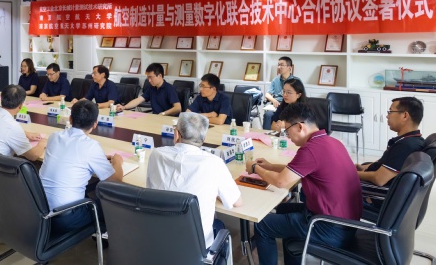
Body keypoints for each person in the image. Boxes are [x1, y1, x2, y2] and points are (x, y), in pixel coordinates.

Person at [246, 102, 361, 265]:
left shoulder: (310, 150)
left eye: (287, 131)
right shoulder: (331, 142)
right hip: (345, 222)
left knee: (262, 226)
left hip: (330, 227)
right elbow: (296, 170)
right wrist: (269, 166)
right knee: (283, 209)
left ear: (300, 127)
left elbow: (280, 182)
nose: (288, 136)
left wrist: (255, 168)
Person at [147, 112, 242, 248]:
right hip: (195, 247)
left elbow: (150, 190)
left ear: (176, 134)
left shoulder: (156, 154)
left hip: (158, 238)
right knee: (219, 224)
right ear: (204, 138)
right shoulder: (214, 163)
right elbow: (236, 202)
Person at [40, 100, 123, 233]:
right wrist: (118, 162)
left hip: (39, 209)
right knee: (113, 205)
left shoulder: (54, 137)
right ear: (95, 124)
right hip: (65, 218)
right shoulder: (91, 146)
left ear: (70, 119)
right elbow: (116, 181)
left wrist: (99, 158)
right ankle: (105, 236)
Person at [0, 84, 46, 176]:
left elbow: (2, 129)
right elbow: (33, 156)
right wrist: (42, 143)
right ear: (20, 105)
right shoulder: (12, 126)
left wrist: (26, 133)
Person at [358, 96, 425, 187]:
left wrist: (350, 173)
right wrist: (364, 168)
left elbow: (379, 179)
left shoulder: (405, 146)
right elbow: (385, 162)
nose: (387, 116)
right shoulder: (414, 140)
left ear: (405, 115)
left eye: (390, 111)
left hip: (372, 191)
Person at [116, 63, 181, 116]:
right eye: (148, 78)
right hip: (156, 118)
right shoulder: (152, 88)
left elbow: (178, 108)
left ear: (160, 76)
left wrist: (163, 114)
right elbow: (138, 100)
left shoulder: (169, 89)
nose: (149, 80)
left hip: (168, 119)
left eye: (151, 77)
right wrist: (124, 107)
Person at [263, 56, 299, 130]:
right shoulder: (275, 80)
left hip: (290, 105)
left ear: (289, 67)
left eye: (282, 65)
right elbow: (267, 94)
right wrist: (274, 100)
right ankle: (266, 134)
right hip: (277, 105)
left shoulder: (296, 81)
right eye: (278, 65)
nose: (279, 67)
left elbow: (300, 97)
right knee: (268, 115)